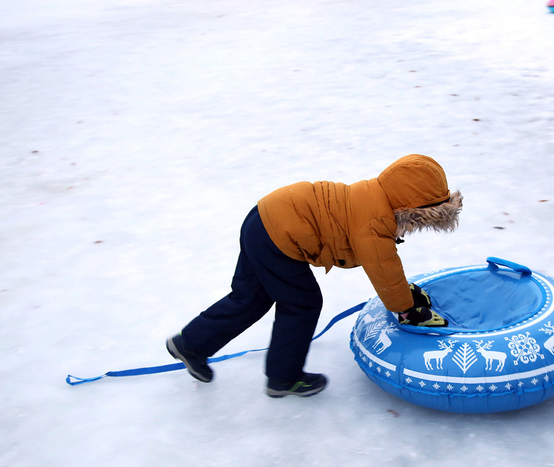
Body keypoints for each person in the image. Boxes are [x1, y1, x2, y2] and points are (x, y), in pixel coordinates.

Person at [166, 154, 463, 398]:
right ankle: (284, 377)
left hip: (262, 218)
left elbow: (385, 264)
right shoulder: (375, 222)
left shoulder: (371, 197)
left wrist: (405, 294)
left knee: (251, 297)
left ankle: (190, 344)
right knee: (303, 303)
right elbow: (383, 268)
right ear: (411, 209)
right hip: (279, 236)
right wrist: (407, 308)